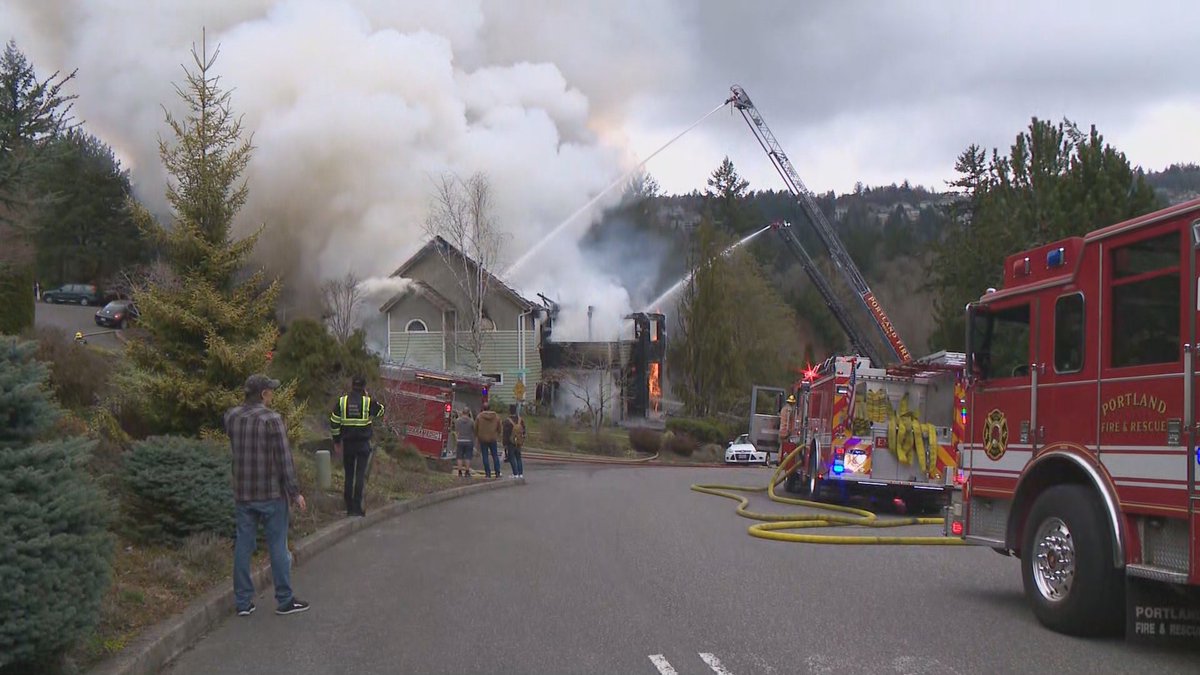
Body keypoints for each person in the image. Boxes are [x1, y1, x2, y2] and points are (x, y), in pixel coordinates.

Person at [225, 374, 309, 617]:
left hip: (243, 493)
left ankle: (243, 602)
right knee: (277, 546)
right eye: (270, 391)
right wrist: (294, 492)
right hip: (271, 493)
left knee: (244, 544)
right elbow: (284, 459)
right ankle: (284, 599)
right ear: (263, 394)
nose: (272, 394)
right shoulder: (272, 420)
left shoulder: (231, 416)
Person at [330, 375, 384, 517]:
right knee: (359, 475)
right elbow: (380, 411)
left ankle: (349, 508)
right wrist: (371, 398)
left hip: (348, 444)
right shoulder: (367, 402)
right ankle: (357, 508)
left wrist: (336, 441)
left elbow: (334, 422)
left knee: (348, 475)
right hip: (362, 445)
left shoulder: (342, 402)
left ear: (352, 386)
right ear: (364, 387)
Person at [474, 404, 503, 478]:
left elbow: (475, 427)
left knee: (485, 456)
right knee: (495, 455)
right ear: (490, 408)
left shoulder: (479, 417)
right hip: (493, 438)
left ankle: (488, 473)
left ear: (483, 408)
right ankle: (497, 472)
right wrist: (497, 433)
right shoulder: (496, 416)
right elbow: (499, 427)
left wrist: (477, 435)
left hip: (483, 438)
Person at [502, 404, 526, 478]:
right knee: (518, 457)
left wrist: (504, 443)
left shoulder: (507, 421)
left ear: (509, 411)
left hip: (511, 442)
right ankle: (520, 473)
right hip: (519, 441)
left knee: (512, 457)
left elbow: (505, 433)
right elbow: (524, 430)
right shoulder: (520, 420)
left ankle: (515, 473)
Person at [454, 408, 476, 477]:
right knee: (468, 457)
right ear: (468, 413)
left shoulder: (458, 421)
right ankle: (467, 471)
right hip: (469, 441)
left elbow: (456, 430)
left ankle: (459, 472)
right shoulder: (471, 421)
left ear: (462, 412)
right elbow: (474, 430)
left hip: (460, 440)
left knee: (459, 457)